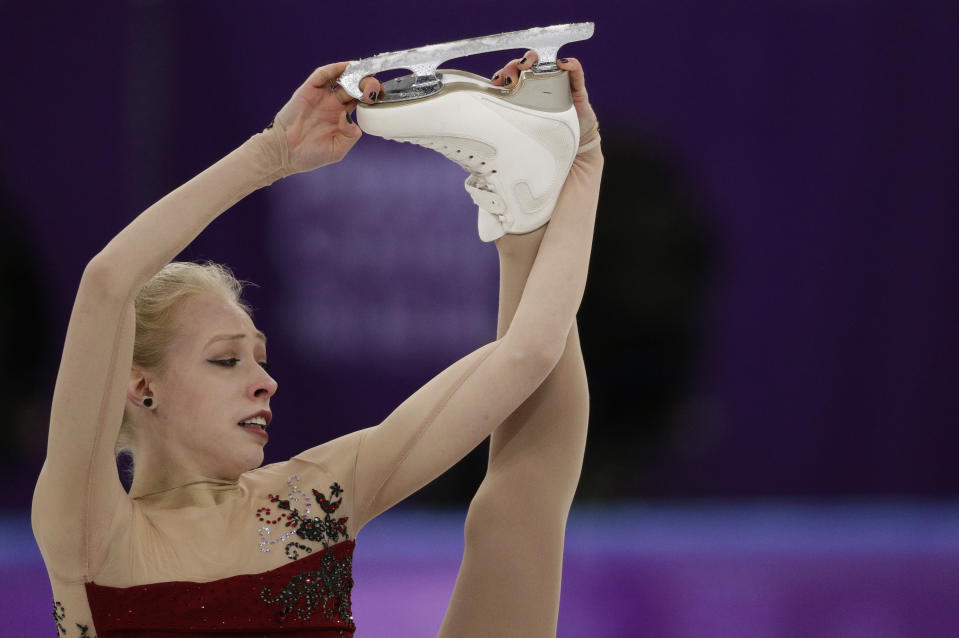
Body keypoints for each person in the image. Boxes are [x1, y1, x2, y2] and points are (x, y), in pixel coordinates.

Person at [32, 48, 603, 637]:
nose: (265, 381)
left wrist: (577, 170)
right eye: (226, 360)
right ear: (142, 385)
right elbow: (108, 283)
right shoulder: (91, 530)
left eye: (259, 358)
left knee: (514, 507)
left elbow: (530, 352)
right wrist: (271, 154)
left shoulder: (308, 501)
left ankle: (523, 202)